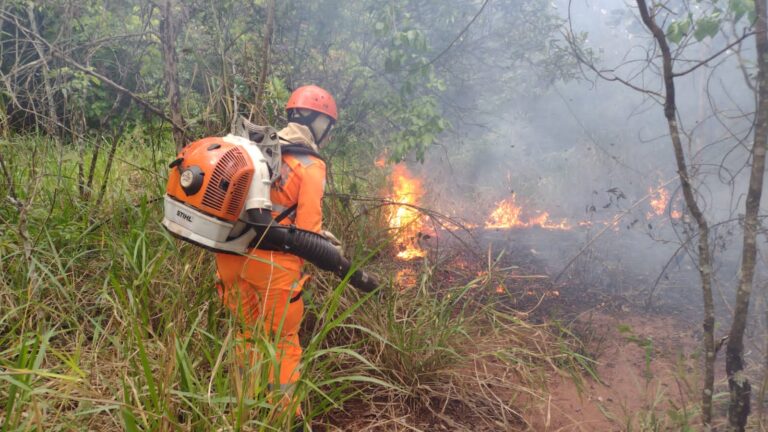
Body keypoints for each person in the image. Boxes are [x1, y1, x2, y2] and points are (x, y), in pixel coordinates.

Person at [214, 85, 338, 427]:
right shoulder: (310, 165)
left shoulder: (252, 149)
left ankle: (245, 411)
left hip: (229, 257)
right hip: (274, 267)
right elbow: (308, 232)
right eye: (327, 125)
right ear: (318, 122)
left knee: (246, 334)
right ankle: (286, 420)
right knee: (282, 342)